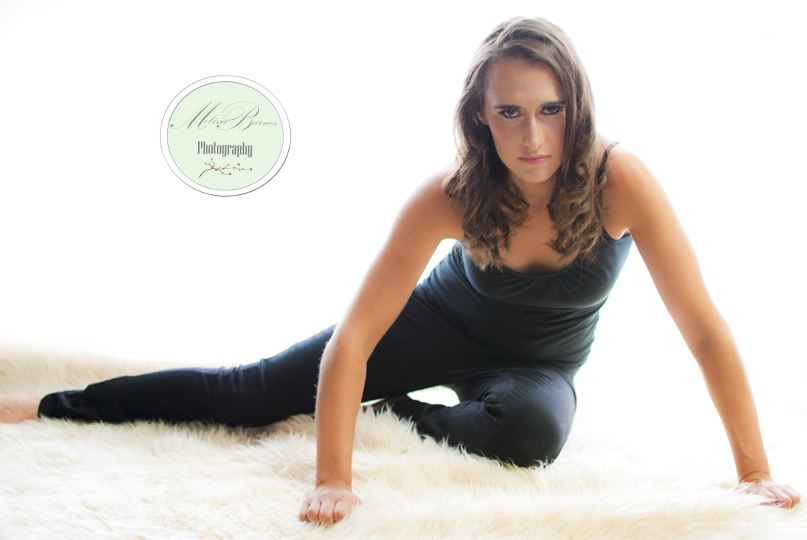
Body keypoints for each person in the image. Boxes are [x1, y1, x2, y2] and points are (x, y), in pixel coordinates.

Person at [0, 16, 801, 524]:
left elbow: (703, 329)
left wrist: (754, 472)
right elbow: (354, 337)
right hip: (435, 326)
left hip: (537, 366)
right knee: (250, 394)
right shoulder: (448, 194)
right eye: (510, 112)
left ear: (575, 108)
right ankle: (50, 405)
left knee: (531, 436)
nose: (531, 137)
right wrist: (333, 477)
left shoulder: (620, 181)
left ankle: (395, 413)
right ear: (480, 116)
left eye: (549, 110)